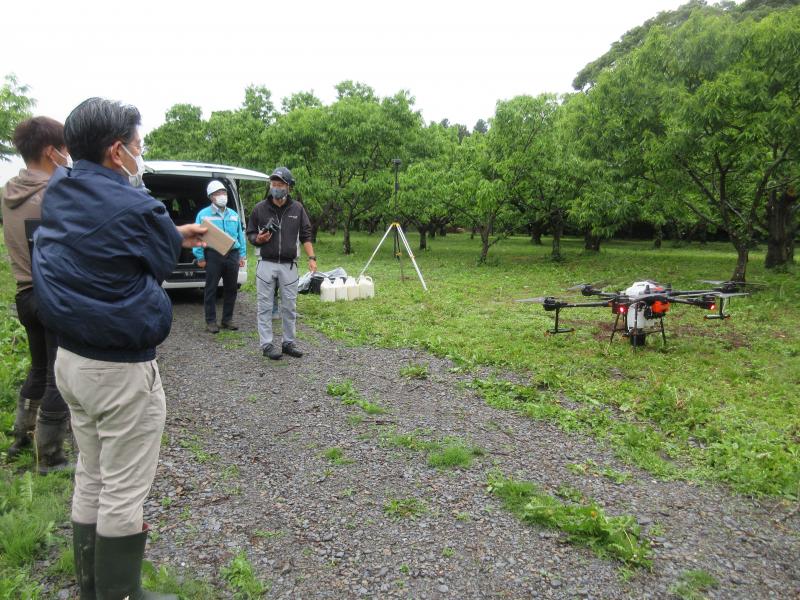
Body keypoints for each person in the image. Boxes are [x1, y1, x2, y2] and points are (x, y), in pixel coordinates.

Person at [31, 97, 206, 600]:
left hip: (70, 360)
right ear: (116, 152)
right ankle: (120, 594)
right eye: (136, 145)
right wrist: (168, 232)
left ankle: (90, 588)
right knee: (124, 488)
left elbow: (111, 239)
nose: (139, 152)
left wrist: (173, 233)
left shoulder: (61, 185)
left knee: (92, 472)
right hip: (119, 371)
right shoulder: (138, 206)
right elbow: (152, 264)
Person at [2, 116, 72, 473]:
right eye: (65, 149)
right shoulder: (53, 195)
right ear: (51, 152)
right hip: (51, 294)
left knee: (39, 367)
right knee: (58, 374)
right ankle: (51, 456)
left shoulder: (9, 192)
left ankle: (19, 438)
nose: (68, 156)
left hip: (23, 293)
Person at [246, 166, 317, 359]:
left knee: (289, 306)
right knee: (265, 305)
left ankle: (288, 342)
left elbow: (306, 234)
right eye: (273, 184)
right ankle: (267, 345)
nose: (276, 187)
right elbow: (250, 233)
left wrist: (312, 258)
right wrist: (258, 239)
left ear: (289, 187)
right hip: (266, 263)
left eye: (280, 184)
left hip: (289, 265)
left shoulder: (297, 209)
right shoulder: (260, 208)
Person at [193, 180, 247, 333]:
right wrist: (200, 257)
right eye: (218, 193)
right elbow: (198, 237)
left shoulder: (234, 215)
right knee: (211, 289)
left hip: (232, 254)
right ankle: (211, 321)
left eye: (224, 193)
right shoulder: (203, 215)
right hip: (213, 254)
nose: (222, 196)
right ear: (211, 197)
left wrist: (242, 255)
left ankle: (227, 320)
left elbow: (240, 237)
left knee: (231, 288)